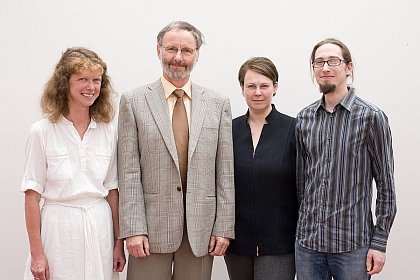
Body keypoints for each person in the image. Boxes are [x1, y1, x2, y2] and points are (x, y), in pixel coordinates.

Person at [117, 21, 235, 280]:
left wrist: (224, 227)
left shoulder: (218, 104)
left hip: (200, 230)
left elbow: (224, 172)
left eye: (186, 50)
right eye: (171, 49)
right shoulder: (133, 101)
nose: (178, 58)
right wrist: (133, 229)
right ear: (158, 51)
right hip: (150, 230)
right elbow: (128, 171)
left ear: (196, 55)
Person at [295, 38, 397, 279]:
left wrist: (379, 242)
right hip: (309, 245)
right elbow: (301, 182)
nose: (326, 67)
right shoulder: (304, 118)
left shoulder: (372, 117)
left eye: (333, 61)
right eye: (319, 62)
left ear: (348, 68)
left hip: (353, 245)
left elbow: (386, 184)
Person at [22, 47, 126, 280]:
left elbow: (112, 192)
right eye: (82, 80)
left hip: (99, 227)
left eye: (96, 80)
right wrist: (37, 252)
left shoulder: (108, 132)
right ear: (64, 84)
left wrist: (119, 242)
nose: (91, 87)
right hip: (58, 230)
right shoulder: (42, 131)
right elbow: (31, 195)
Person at [224, 57, 298, 280]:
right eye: (251, 86)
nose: (257, 92)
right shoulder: (228, 129)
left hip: (279, 240)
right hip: (237, 241)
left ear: (275, 87)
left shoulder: (294, 128)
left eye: (264, 86)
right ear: (242, 89)